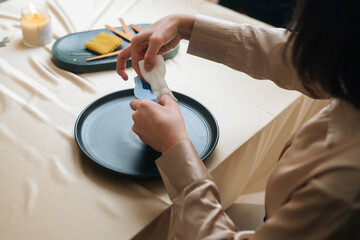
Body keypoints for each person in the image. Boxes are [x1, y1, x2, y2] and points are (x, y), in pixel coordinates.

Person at [117, 0, 360, 239]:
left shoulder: (343, 192)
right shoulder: (348, 66)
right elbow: (309, 60)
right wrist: (186, 26)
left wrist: (174, 147)